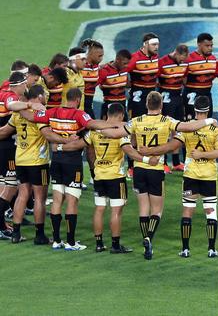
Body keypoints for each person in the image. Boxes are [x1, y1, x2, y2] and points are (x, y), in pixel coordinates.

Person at [100, 91, 218, 260]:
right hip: (156, 168)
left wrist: (96, 127)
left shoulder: (136, 121)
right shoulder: (167, 121)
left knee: (144, 208)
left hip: (139, 169)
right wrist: (209, 120)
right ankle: (149, 236)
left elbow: (114, 134)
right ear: (161, 105)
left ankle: (145, 242)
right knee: (157, 210)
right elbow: (187, 128)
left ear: (146, 104)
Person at [137, 96, 218, 258]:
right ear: (208, 110)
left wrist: (150, 151)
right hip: (208, 175)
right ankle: (211, 249)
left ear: (195, 109)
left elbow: (173, 146)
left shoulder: (187, 129)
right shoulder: (215, 130)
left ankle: (186, 249)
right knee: (211, 212)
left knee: (187, 210)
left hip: (191, 174)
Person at [20, 88, 119, 250]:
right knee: (72, 200)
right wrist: (116, 123)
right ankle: (71, 242)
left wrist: (22, 105)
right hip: (72, 162)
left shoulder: (53, 112)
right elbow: (92, 124)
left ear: (66, 98)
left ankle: (57, 240)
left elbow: (30, 116)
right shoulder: (79, 114)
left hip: (56, 160)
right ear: (79, 99)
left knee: (57, 200)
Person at [56, 103, 143, 253]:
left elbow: (78, 144)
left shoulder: (95, 131)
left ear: (106, 115)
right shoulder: (119, 133)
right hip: (115, 176)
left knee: (99, 209)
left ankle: (99, 243)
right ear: (121, 115)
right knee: (116, 211)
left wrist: (59, 147)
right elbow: (130, 150)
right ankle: (115, 245)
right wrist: (146, 159)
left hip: (99, 175)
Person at [0, 82, 50, 241]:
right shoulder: (41, 113)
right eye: (45, 95)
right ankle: (39, 235)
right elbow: (49, 134)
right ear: (40, 96)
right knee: (39, 198)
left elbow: (5, 131)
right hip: (37, 161)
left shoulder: (17, 113)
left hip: (20, 159)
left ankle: (15, 233)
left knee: (22, 195)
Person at [158, 44, 189, 171]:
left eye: (184, 60)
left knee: (177, 129)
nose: (182, 62)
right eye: (181, 59)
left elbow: (184, 78)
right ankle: (164, 162)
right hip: (166, 97)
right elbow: (155, 78)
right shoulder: (162, 62)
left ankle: (176, 162)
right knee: (165, 130)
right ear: (175, 53)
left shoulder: (184, 64)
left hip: (178, 96)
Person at [184, 33, 216, 120]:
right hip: (192, 96)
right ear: (199, 44)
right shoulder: (189, 59)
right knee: (191, 123)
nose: (210, 48)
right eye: (207, 46)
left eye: (211, 45)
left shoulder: (213, 59)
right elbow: (183, 80)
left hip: (207, 95)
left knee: (208, 122)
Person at [127, 33, 160, 118]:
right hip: (138, 100)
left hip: (152, 99)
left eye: (157, 44)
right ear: (145, 44)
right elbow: (122, 71)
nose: (156, 47)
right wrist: (127, 83)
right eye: (153, 44)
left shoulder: (155, 57)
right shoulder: (135, 58)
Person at [98, 49, 131, 119]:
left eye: (128, 63)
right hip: (108, 107)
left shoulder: (125, 69)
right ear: (117, 59)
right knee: (106, 129)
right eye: (124, 63)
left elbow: (127, 84)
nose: (126, 66)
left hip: (122, 107)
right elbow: (94, 85)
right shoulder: (104, 70)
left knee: (124, 129)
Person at [80, 39, 105, 117]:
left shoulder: (95, 66)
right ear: (90, 54)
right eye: (99, 56)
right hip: (78, 106)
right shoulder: (80, 66)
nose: (101, 59)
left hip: (89, 105)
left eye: (102, 56)